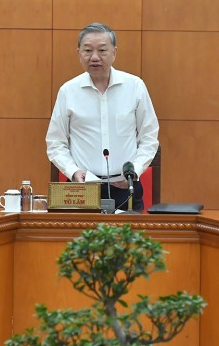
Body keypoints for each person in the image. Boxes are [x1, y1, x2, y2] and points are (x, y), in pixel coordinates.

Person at [46, 22, 159, 211]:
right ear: (79, 53)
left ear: (114, 52)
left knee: (127, 232)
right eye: (88, 50)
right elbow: (55, 142)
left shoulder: (135, 87)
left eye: (102, 50)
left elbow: (149, 137)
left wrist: (135, 171)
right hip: (82, 189)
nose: (94, 57)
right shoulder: (68, 91)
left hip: (126, 187)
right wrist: (73, 171)